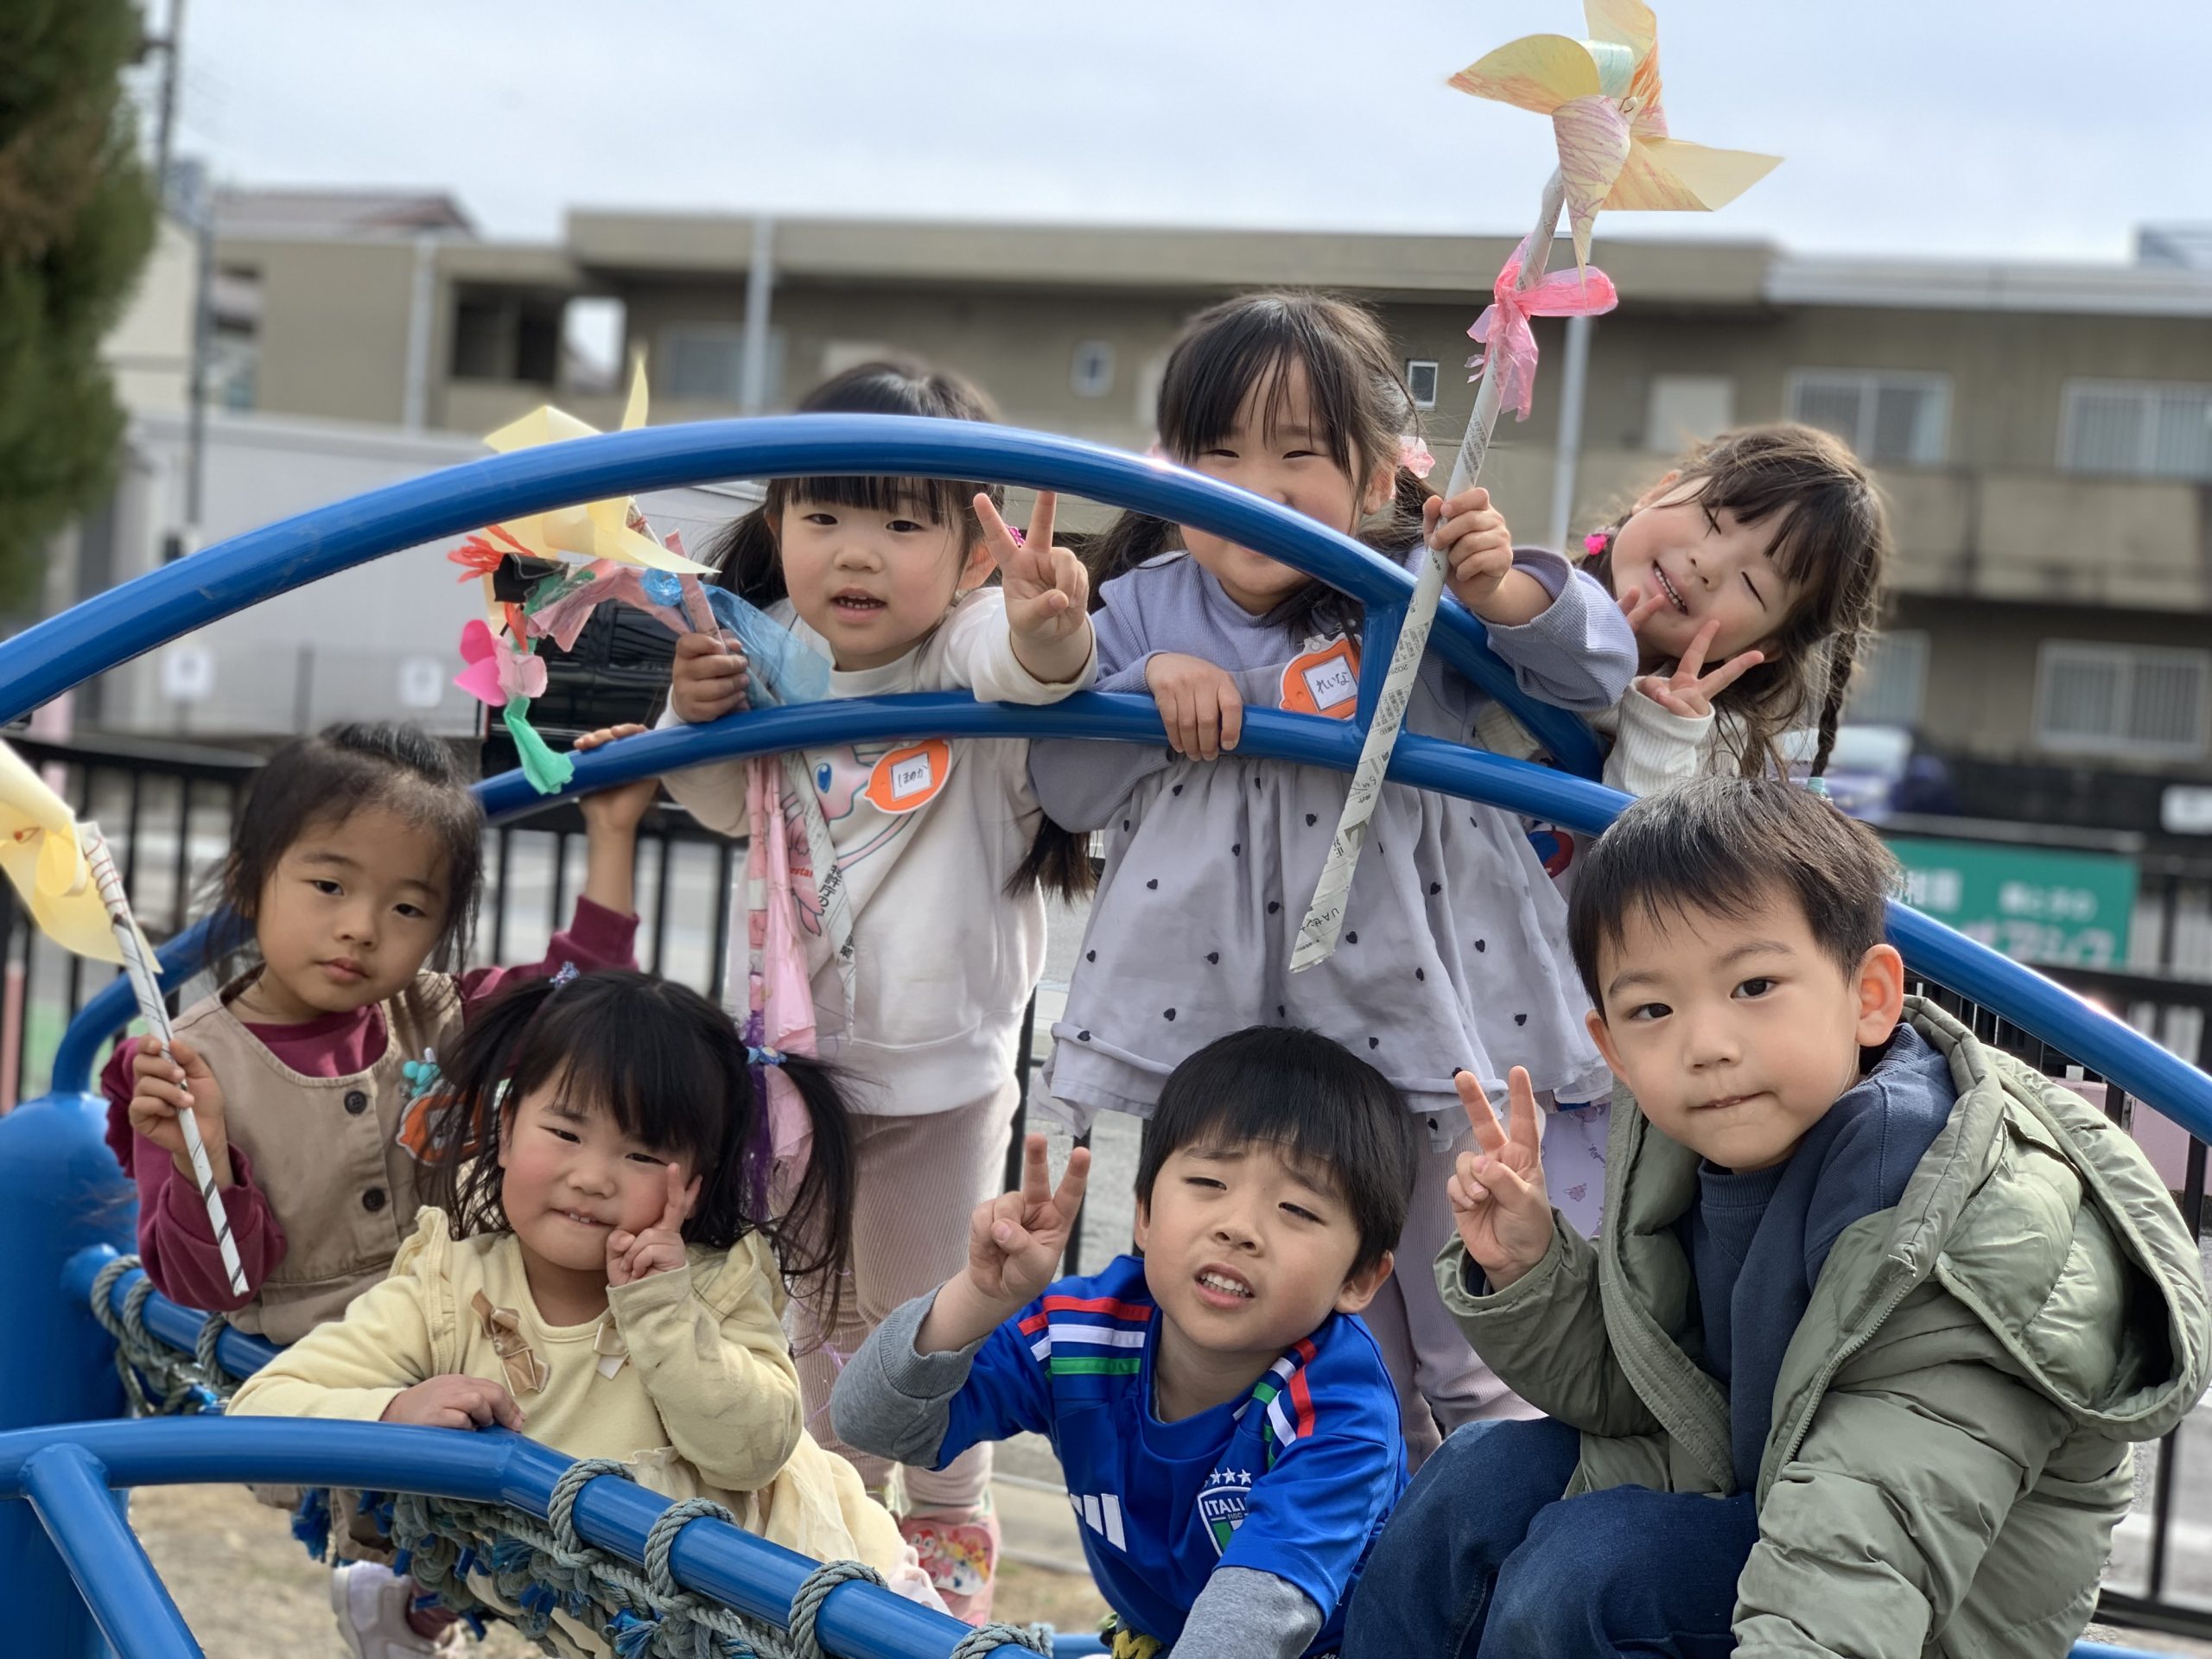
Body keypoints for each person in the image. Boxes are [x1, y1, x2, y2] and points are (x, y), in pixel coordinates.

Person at [1345, 777, 2211, 1658]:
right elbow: (1654, 1394)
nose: (1706, 1044)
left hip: (1922, 1603)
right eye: (1653, 1009)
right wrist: (1531, 1268)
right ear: (1613, 1051)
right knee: (1475, 1477)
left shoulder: (1950, 1226)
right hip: (1758, 1490)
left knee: (1590, 1576)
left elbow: (1860, 1549)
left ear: (1869, 997)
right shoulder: (1693, 1148)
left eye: (1754, 985)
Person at [1027, 289, 1634, 1456]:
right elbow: (1068, 789)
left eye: (1296, 454)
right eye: (1217, 454)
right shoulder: (1144, 608)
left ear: (1373, 477)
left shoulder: (1411, 590)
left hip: (1417, 1006)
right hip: (1236, 1029)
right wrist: (1142, 687)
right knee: (1308, 1340)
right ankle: (1359, 1532)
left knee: (1467, 1322)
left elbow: (1593, 675)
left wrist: (1503, 591)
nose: (1253, 488)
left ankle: (1521, 1519)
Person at [657, 359, 1096, 1619]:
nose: (857, 552)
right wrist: (693, 715)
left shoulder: (965, 650)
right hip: (796, 1077)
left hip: (939, 1082)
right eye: (824, 515)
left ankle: (946, 1550)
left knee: (927, 1326)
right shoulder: (767, 656)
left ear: (969, 554)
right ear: (778, 522)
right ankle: (831, 1563)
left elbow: (1030, 667)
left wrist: (1048, 630)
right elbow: (715, 801)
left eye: (903, 523)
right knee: (811, 1334)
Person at [106, 718, 652, 1657]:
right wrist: (203, 1154)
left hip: (465, 1330)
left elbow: (577, 1007)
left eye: (407, 908)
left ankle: (411, 1606)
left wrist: (611, 833)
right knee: (495, 1484)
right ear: (250, 879)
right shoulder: (183, 1064)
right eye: (329, 886)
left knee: (595, 1434)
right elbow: (215, 1285)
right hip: (324, 1374)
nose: (361, 927)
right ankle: (408, 1594)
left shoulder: (437, 1016)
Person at [226, 969, 932, 1657]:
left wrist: (661, 1310)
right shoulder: (447, 1290)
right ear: (506, 1131)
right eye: (566, 1133)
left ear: (693, 1186)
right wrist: (394, 1413)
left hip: (828, 1601)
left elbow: (750, 1454)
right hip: (629, 1627)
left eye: (642, 1153)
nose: (593, 1178)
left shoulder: (713, 1289)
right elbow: (261, 1410)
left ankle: (406, 1602)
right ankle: (409, 1599)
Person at [833, 1027, 1421, 1658]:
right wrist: (978, 1298)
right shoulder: (1082, 1334)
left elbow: (1252, 1623)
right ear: (1144, 1213)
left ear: (1360, 1278)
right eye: (1209, 1182)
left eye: (1298, 1210)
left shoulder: (1341, 1407)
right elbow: (873, 1425)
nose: (1238, 1228)